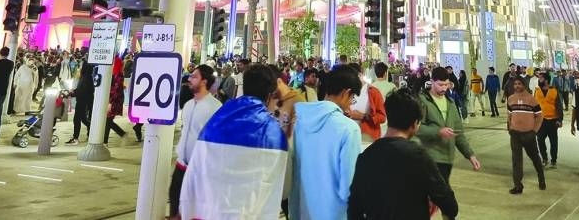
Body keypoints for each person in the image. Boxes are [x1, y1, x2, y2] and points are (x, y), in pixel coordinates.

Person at [180, 64, 288, 220]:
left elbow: (195, 172)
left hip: (209, 213)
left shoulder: (217, 120)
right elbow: (281, 187)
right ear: (270, 95)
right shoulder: (273, 133)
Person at [347, 88, 459, 219]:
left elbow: (354, 207)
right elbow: (450, 206)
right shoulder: (419, 156)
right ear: (415, 124)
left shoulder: (366, 156)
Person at [290, 66, 363, 220]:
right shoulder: (348, 129)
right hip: (334, 213)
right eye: (352, 98)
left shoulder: (298, 120)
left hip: (301, 211)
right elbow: (348, 187)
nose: (351, 103)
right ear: (346, 93)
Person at [415, 66, 480, 215]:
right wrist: (438, 132)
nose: (444, 88)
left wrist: (470, 155)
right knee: (445, 202)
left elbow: (459, 133)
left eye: (446, 84)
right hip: (430, 158)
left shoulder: (451, 103)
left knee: (438, 199)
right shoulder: (422, 101)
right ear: (432, 82)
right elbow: (416, 128)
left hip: (447, 159)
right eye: (440, 84)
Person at [168, 64, 220, 220]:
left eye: (194, 76)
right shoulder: (188, 105)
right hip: (181, 164)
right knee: (175, 198)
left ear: (204, 81)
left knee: (195, 207)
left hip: (200, 169)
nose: (189, 79)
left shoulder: (215, 107)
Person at [506, 75, 545, 194]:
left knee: (535, 157)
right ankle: (518, 185)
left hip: (528, 135)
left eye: (519, 84)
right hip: (515, 135)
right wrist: (509, 128)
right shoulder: (511, 99)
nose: (517, 86)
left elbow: (539, 116)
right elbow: (509, 115)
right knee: (516, 160)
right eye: (515, 84)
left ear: (524, 85)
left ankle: (541, 178)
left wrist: (534, 131)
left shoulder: (531, 99)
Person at [534, 71, 564, 169]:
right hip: (541, 120)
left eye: (541, 78)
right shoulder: (537, 91)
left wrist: (560, 119)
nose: (539, 80)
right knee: (540, 140)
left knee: (553, 141)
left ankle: (554, 160)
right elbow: (534, 105)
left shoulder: (554, 91)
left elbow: (558, 106)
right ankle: (544, 158)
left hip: (552, 120)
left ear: (546, 80)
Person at [66, 59, 94, 144]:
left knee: (78, 119)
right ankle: (89, 134)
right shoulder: (86, 77)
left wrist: (73, 93)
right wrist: (74, 92)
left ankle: (76, 138)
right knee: (83, 120)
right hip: (83, 101)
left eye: (81, 66)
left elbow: (83, 91)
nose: (80, 67)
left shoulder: (86, 78)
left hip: (83, 102)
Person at [104, 56, 127, 144]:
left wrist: (110, 102)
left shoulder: (118, 75)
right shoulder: (116, 74)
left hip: (115, 100)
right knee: (108, 121)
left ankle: (105, 141)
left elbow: (116, 90)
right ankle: (121, 134)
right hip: (115, 99)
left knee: (108, 121)